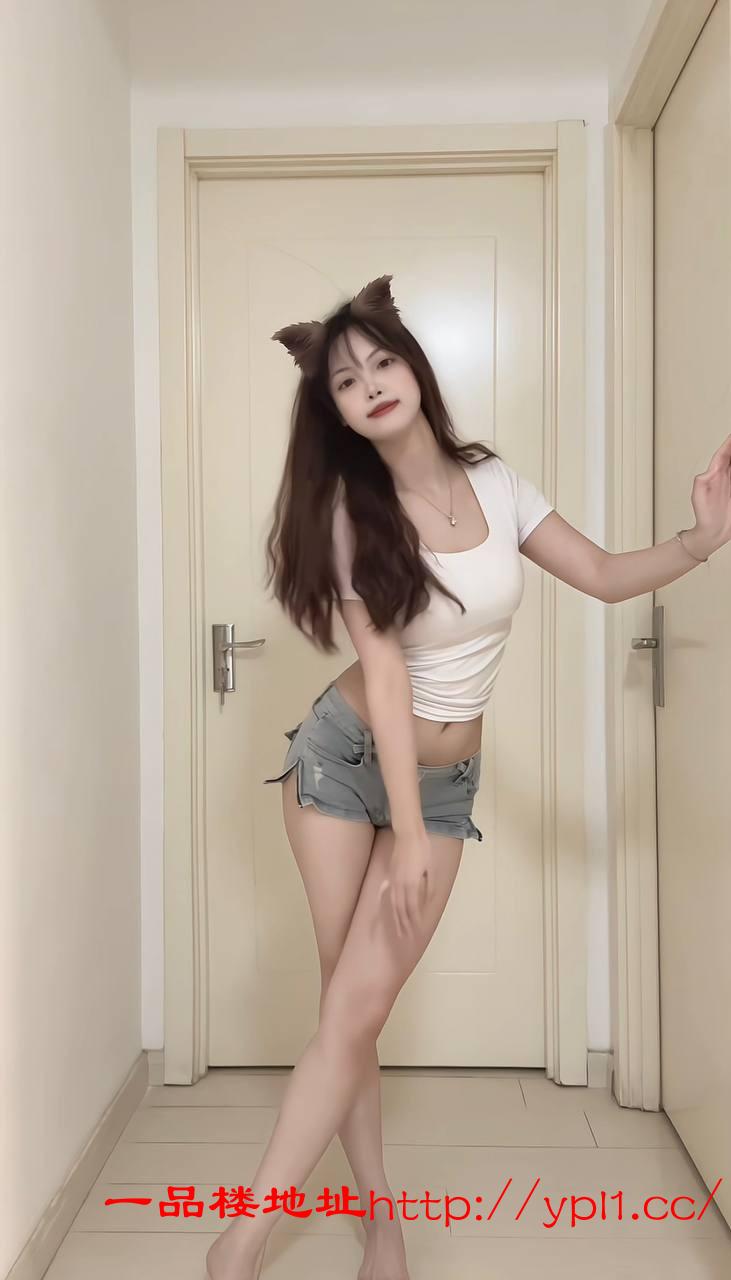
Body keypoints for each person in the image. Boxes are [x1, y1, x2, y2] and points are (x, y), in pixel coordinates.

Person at [205, 275, 728, 1280]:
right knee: (348, 1011)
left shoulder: (495, 481)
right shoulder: (352, 512)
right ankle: (266, 1236)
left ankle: (337, 1227)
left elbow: (601, 574)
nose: (370, 385)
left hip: (441, 784)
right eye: (345, 380)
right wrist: (402, 827)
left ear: (414, 368)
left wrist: (699, 542)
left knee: (354, 1009)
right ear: (337, 412)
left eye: (381, 362)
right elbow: (385, 673)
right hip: (343, 760)